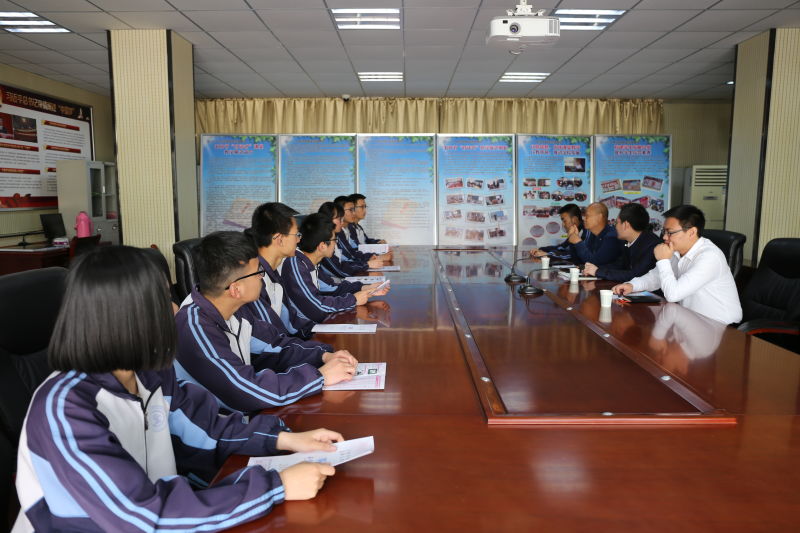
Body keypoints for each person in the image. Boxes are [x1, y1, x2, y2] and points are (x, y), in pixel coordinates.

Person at [13, 246, 340, 532]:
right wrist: (276, 487)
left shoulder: (148, 375)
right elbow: (142, 518)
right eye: (163, 299)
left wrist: (286, 439)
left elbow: (209, 427)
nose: (174, 309)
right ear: (127, 317)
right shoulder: (63, 409)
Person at [175, 231, 357, 414]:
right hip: (224, 424)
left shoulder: (234, 309)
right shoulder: (194, 325)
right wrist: (320, 377)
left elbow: (276, 344)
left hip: (246, 418)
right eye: (257, 272)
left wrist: (322, 356)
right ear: (236, 289)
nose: (262, 277)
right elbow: (245, 389)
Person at [612, 204, 742, 325]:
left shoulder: (709, 257)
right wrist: (632, 285)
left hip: (721, 327)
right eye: (664, 231)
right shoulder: (677, 251)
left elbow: (673, 295)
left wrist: (663, 260)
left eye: (670, 232)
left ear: (691, 232)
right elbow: (655, 277)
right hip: (689, 321)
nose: (664, 237)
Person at [281, 213, 389, 323]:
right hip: (304, 330)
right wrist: (354, 300)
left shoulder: (312, 262)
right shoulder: (295, 264)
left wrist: (365, 288)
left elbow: (332, 288)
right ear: (322, 246)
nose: (335, 245)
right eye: (334, 240)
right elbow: (317, 307)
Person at [245, 202, 328, 340]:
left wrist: (326, 330)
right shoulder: (255, 279)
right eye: (296, 234)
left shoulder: (273, 273)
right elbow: (272, 340)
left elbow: (291, 321)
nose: (298, 240)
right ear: (280, 239)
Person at [583, 202, 660, 281]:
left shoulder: (651, 245)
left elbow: (634, 275)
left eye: (617, 223)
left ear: (626, 225)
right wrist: (594, 269)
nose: (615, 227)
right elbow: (620, 265)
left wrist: (598, 271)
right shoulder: (627, 242)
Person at [318, 201, 383, 277]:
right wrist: (366, 264)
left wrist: (368, 260)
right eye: (339, 219)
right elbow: (341, 267)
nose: (342, 222)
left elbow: (349, 256)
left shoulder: (338, 234)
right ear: (327, 219)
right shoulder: (324, 241)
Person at [335, 195, 392, 264]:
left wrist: (378, 243)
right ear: (340, 212)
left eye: (365, 207)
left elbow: (363, 243)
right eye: (351, 210)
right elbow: (353, 252)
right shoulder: (338, 231)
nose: (354, 213)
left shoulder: (350, 228)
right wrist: (376, 257)